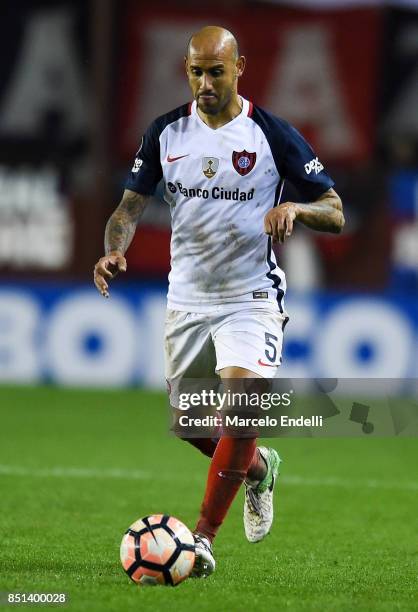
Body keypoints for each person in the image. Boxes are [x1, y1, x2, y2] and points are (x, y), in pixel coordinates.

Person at [94, 25, 344, 578]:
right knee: (190, 423)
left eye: (216, 71)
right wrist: (114, 250)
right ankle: (258, 469)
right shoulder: (165, 133)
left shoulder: (272, 134)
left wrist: (297, 211)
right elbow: (128, 209)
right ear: (186, 71)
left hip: (250, 295)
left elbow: (335, 208)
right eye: (196, 71)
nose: (205, 82)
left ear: (239, 68)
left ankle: (202, 538)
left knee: (240, 405)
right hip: (188, 296)